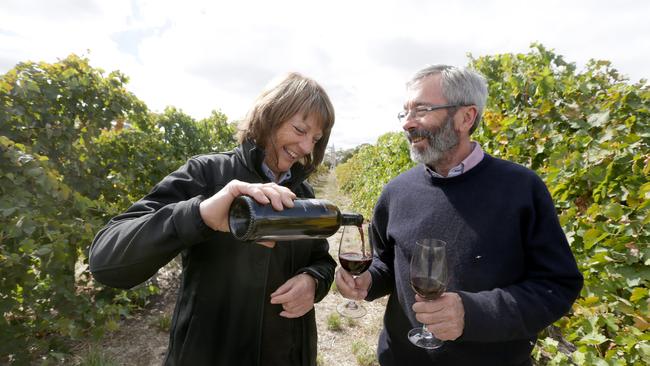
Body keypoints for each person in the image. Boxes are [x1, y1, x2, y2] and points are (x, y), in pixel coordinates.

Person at [335, 65, 583, 365]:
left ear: (466, 117)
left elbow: (557, 285)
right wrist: (368, 282)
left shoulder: (521, 189)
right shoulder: (397, 191)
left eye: (422, 110)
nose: (408, 124)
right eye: (405, 112)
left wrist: (473, 313)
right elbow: (386, 262)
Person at [89, 72, 337, 366]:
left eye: (316, 139)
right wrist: (199, 215)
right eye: (299, 129)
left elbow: (321, 260)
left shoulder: (302, 194)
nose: (307, 147)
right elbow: (105, 260)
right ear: (269, 116)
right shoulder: (207, 175)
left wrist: (314, 281)